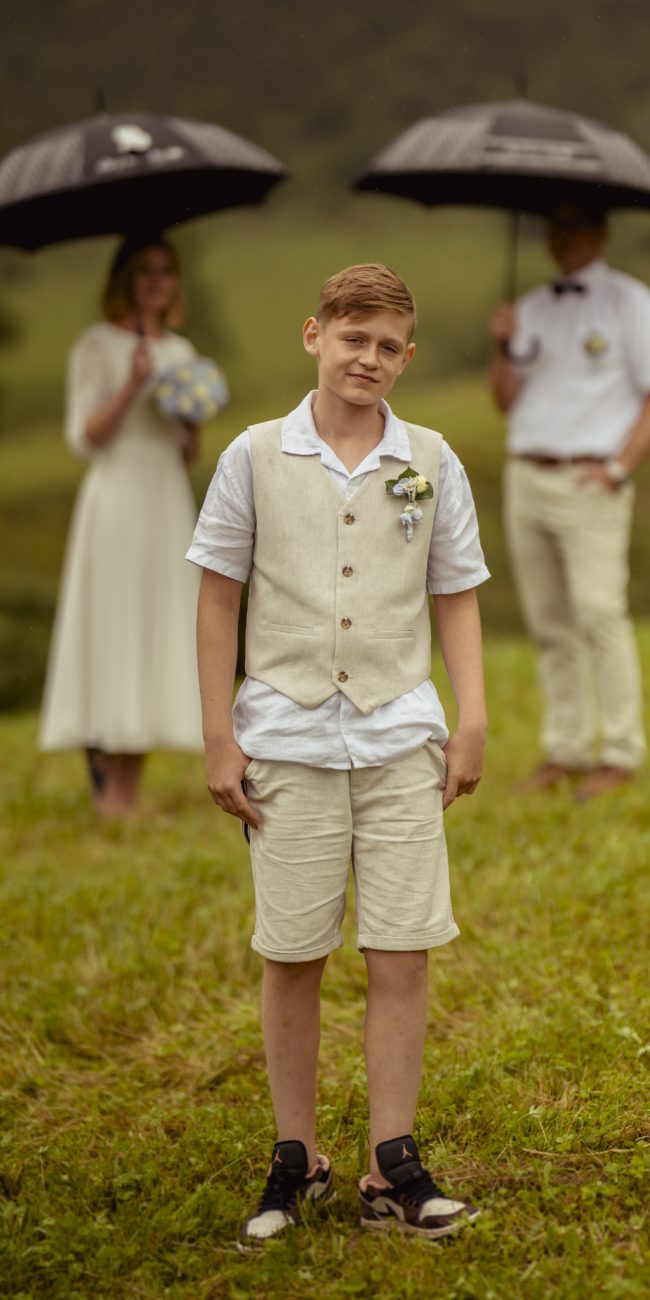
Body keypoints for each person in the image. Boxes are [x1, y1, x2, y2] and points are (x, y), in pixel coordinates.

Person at [187, 264, 489, 1247]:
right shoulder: (253, 455)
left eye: (388, 344)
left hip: (400, 732)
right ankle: (294, 1155)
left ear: (406, 355)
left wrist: (470, 712)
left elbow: (453, 591)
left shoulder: (430, 459)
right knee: (292, 950)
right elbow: (218, 595)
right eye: (352, 336)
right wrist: (217, 732)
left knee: (400, 947)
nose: (368, 357)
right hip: (285, 737)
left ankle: (391, 1162)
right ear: (313, 334)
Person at [489, 202, 650, 799]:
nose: (566, 238)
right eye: (557, 226)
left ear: (601, 232)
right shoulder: (528, 308)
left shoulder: (631, 303)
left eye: (578, 226)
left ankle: (622, 750)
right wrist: (501, 346)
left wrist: (619, 468)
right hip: (528, 470)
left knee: (598, 611)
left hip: (591, 476)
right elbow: (504, 400)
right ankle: (567, 748)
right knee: (550, 619)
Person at [40, 236, 205, 815]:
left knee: (155, 625)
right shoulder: (97, 346)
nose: (158, 282)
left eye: (167, 271)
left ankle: (126, 790)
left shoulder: (182, 352)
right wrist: (133, 384)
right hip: (115, 497)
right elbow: (85, 439)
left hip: (165, 496)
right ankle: (107, 785)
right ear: (124, 280)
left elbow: (186, 452)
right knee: (110, 624)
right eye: (145, 272)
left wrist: (189, 420)